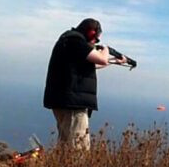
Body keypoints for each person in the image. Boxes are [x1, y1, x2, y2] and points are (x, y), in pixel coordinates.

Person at [43, 18, 126, 149]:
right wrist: (106, 49)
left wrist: (115, 61)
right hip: (72, 103)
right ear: (92, 32)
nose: (95, 42)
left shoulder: (69, 40)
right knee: (79, 146)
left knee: (66, 144)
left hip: (64, 100)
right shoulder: (75, 40)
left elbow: (93, 64)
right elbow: (102, 59)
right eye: (96, 39)